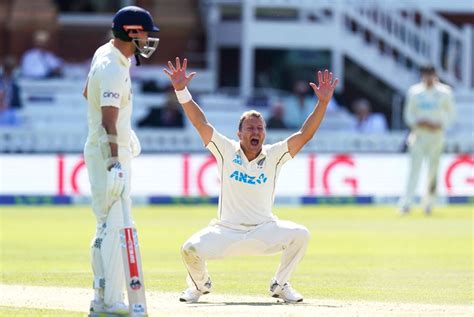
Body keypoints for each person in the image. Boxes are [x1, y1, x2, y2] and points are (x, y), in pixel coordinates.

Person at [163, 57, 338, 303]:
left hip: (264, 230)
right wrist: (181, 90)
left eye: (260, 128)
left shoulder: (274, 155)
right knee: (189, 249)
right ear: (239, 133)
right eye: (250, 128)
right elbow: (200, 123)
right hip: (225, 231)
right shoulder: (225, 150)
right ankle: (199, 286)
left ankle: (280, 284)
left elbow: (304, 134)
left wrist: (322, 103)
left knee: (301, 234)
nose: (256, 132)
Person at [82, 6, 159, 315]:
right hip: (108, 157)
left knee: (106, 225)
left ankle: (101, 298)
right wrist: (115, 160)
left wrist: (126, 134)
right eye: (144, 33)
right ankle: (111, 302)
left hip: (106, 149)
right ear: (130, 32)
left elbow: (88, 93)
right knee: (115, 226)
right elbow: (108, 119)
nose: (149, 39)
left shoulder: (108, 53)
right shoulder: (113, 68)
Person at [398, 65, 455, 215]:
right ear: (422, 75)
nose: (429, 77)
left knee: (433, 171)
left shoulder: (445, 92)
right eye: (426, 74)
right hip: (419, 135)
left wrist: (439, 125)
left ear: (436, 75)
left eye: (431, 74)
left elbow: (451, 114)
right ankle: (406, 204)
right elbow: (408, 115)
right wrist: (419, 122)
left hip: (436, 136)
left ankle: (429, 204)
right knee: (414, 170)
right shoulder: (415, 92)